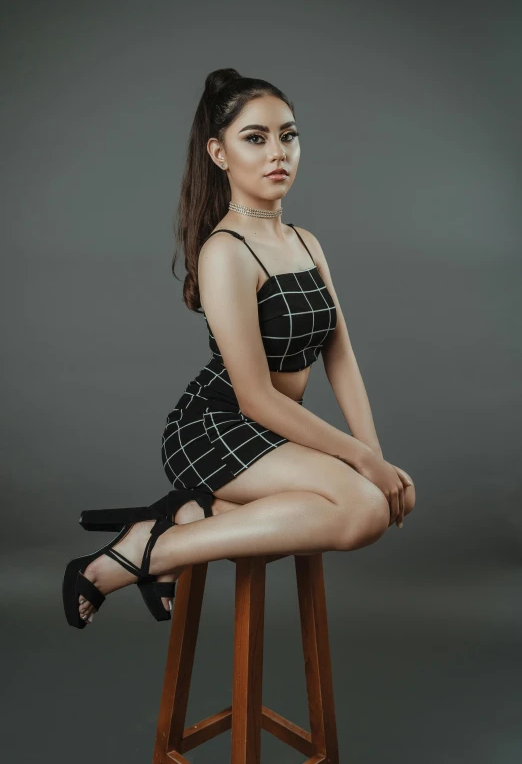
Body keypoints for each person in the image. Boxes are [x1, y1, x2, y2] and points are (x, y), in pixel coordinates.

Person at [63, 68, 416, 629]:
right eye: (255, 138)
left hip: (276, 428)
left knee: (360, 500)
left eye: (288, 135)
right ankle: (144, 555)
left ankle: (178, 517)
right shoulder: (224, 252)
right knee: (361, 511)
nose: (278, 152)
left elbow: (339, 356)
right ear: (219, 153)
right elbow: (253, 396)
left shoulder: (305, 242)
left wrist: (375, 454)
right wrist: (360, 461)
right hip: (215, 425)